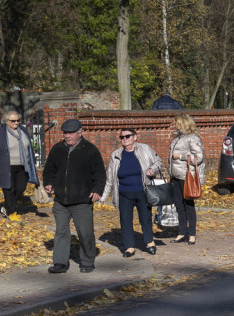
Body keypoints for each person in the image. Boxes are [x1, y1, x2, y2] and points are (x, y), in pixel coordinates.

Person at [42, 119, 106, 274]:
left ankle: (87, 262)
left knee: (85, 233)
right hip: (61, 200)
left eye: (71, 133)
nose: (67, 136)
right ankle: (60, 263)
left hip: (82, 200)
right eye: (65, 133)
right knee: (61, 232)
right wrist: (49, 183)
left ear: (80, 132)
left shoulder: (90, 150)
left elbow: (99, 174)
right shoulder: (57, 149)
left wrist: (97, 190)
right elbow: (49, 169)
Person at [101, 128, 163, 256]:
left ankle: (149, 242)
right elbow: (110, 177)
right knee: (125, 220)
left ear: (135, 137)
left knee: (145, 218)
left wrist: (152, 169)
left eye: (127, 136)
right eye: (121, 137)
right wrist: (104, 196)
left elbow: (158, 161)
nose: (124, 139)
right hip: (124, 193)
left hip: (143, 191)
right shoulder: (116, 154)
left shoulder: (145, 149)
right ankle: (129, 246)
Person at [0, 108, 40, 217]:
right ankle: (11, 212)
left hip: (23, 165)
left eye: (18, 120)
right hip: (6, 166)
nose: (16, 123)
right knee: (9, 189)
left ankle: (6, 206)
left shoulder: (23, 130)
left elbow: (29, 147)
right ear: (6, 121)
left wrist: (34, 161)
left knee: (21, 188)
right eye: (13, 121)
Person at [169, 113, 205, 244]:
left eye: (178, 123)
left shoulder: (192, 138)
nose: (175, 126)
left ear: (184, 124)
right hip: (176, 176)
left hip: (187, 176)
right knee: (179, 205)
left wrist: (180, 156)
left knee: (188, 205)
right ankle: (181, 232)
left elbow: (199, 158)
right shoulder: (177, 138)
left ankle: (192, 235)